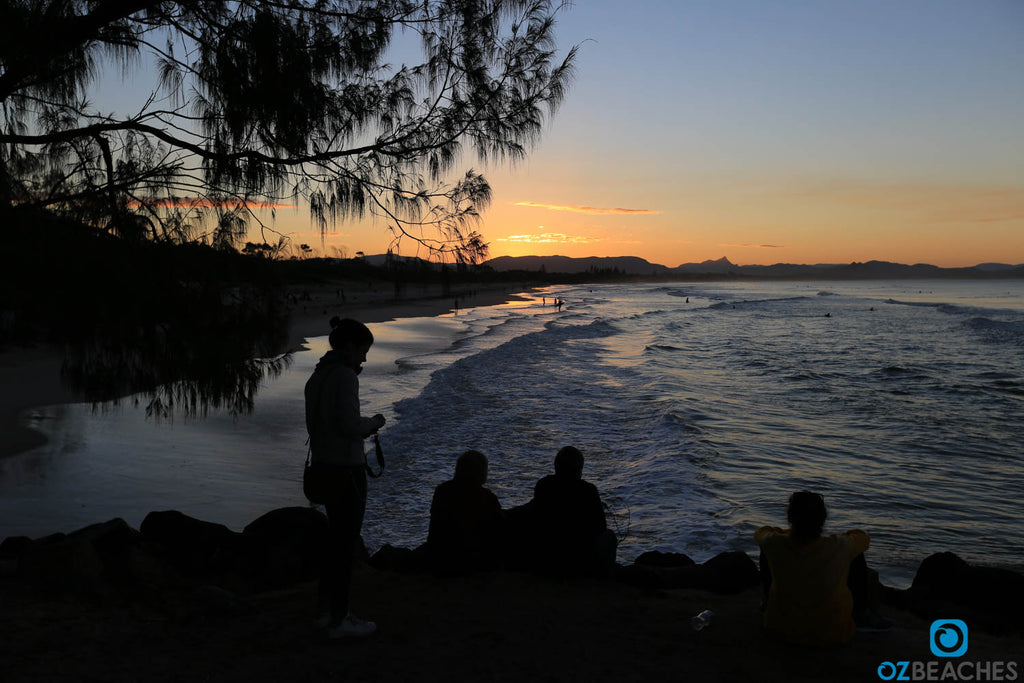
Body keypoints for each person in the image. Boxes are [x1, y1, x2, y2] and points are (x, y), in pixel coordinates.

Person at [304, 317, 386, 639]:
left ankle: (325, 613)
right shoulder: (344, 377)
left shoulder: (318, 375)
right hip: (346, 472)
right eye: (363, 351)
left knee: (333, 544)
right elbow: (350, 425)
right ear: (350, 347)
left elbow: (320, 424)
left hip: (323, 467)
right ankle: (341, 618)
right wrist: (374, 423)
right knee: (344, 545)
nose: (364, 358)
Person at [754, 491, 891, 646]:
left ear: (790, 517)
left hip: (779, 629)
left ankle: (767, 604)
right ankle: (860, 615)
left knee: (766, 549)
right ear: (823, 519)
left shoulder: (774, 542)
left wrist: (786, 534)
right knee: (856, 555)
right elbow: (863, 538)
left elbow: (761, 532)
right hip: (832, 634)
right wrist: (840, 537)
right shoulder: (839, 546)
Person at [525, 446, 617, 577]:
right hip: (579, 557)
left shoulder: (544, 484)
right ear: (579, 469)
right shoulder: (588, 490)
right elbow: (600, 527)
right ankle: (605, 575)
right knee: (609, 536)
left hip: (549, 555)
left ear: (556, 466)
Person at [427, 450, 504, 574]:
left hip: (441, 557)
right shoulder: (487, 498)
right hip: (473, 561)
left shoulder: (442, 491)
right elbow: (498, 531)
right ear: (481, 472)